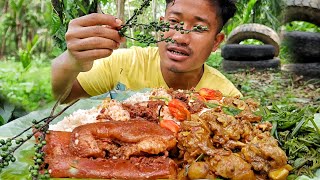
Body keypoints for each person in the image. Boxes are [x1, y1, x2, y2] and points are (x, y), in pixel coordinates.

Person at [52, 0, 242, 103]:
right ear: (160, 26)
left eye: (199, 28)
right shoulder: (123, 64)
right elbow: (61, 96)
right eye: (174, 22)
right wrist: (71, 60)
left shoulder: (226, 98)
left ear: (216, 42)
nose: (179, 37)